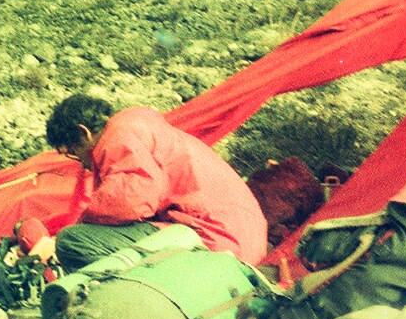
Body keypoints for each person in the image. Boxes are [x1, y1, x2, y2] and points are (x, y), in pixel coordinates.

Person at [43, 93, 268, 271]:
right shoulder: (140, 127)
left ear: (84, 133)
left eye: (73, 152)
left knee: (73, 241)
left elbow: (132, 201)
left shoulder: (119, 135)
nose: (82, 163)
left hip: (217, 240)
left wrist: (85, 220)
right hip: (241, 236)